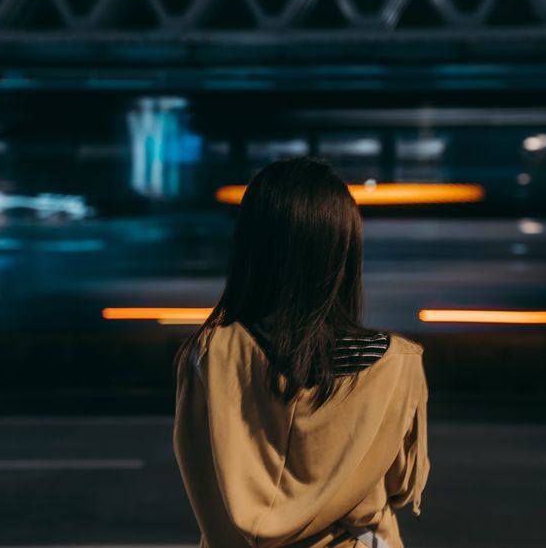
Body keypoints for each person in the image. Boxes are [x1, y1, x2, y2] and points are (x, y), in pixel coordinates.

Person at [173, 157, 429, 548]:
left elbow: (201, 475)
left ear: (251, 247)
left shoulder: (208, 355)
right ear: (342, 251)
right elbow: (399, 486)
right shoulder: (395, 364)